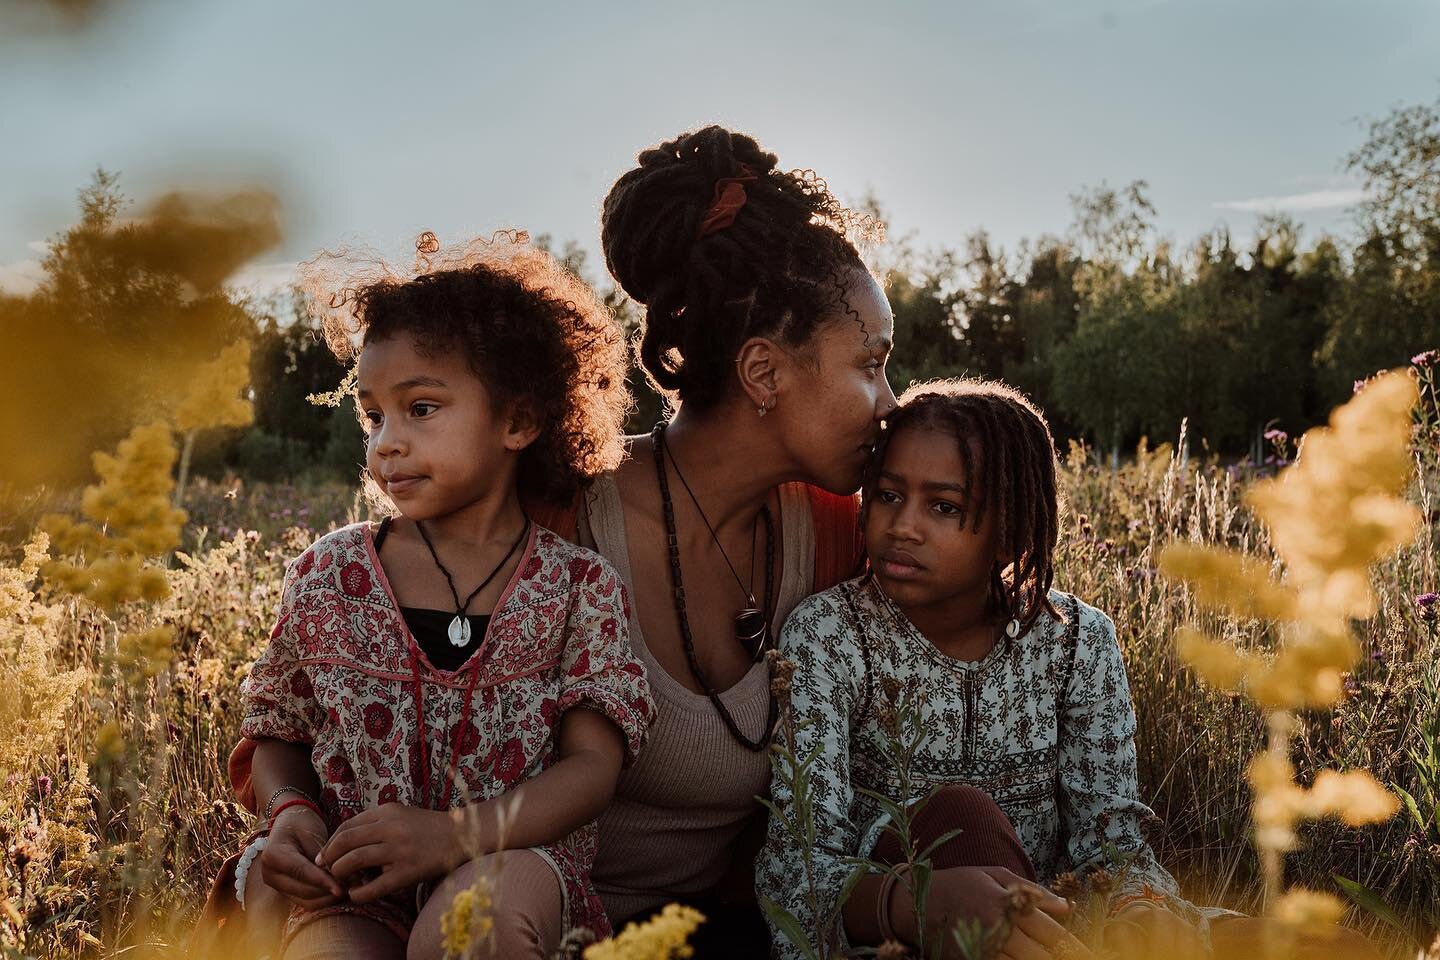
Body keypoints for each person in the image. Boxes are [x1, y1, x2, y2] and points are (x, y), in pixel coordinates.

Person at [212, 233, 654, 959]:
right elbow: (277, 731)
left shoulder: (578, 588)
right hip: (353, 877)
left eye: (420, 408)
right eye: (373, 415)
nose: (386, 442)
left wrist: (453, 836)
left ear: (518, 421)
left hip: (509, 864)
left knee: (468, 934)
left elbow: (591, 768)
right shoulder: (328, 577)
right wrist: (291, 814)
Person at [555, 124, 899, 956]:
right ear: (763, 372)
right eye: (871, 364)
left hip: (737, 931)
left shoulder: (836, 536)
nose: (892, 403)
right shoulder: (562, 523)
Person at [757, 378, 1231, 960]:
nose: (904, 525)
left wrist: (1138, 911)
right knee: (965, 816)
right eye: (887, 495)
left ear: (1010, 532)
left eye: (943, 506)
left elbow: (1111, 847)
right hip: (891, 938)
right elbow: (797, 872)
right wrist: (915, 900)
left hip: (1058, 930)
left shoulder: (1078, 643)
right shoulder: (831, 637)